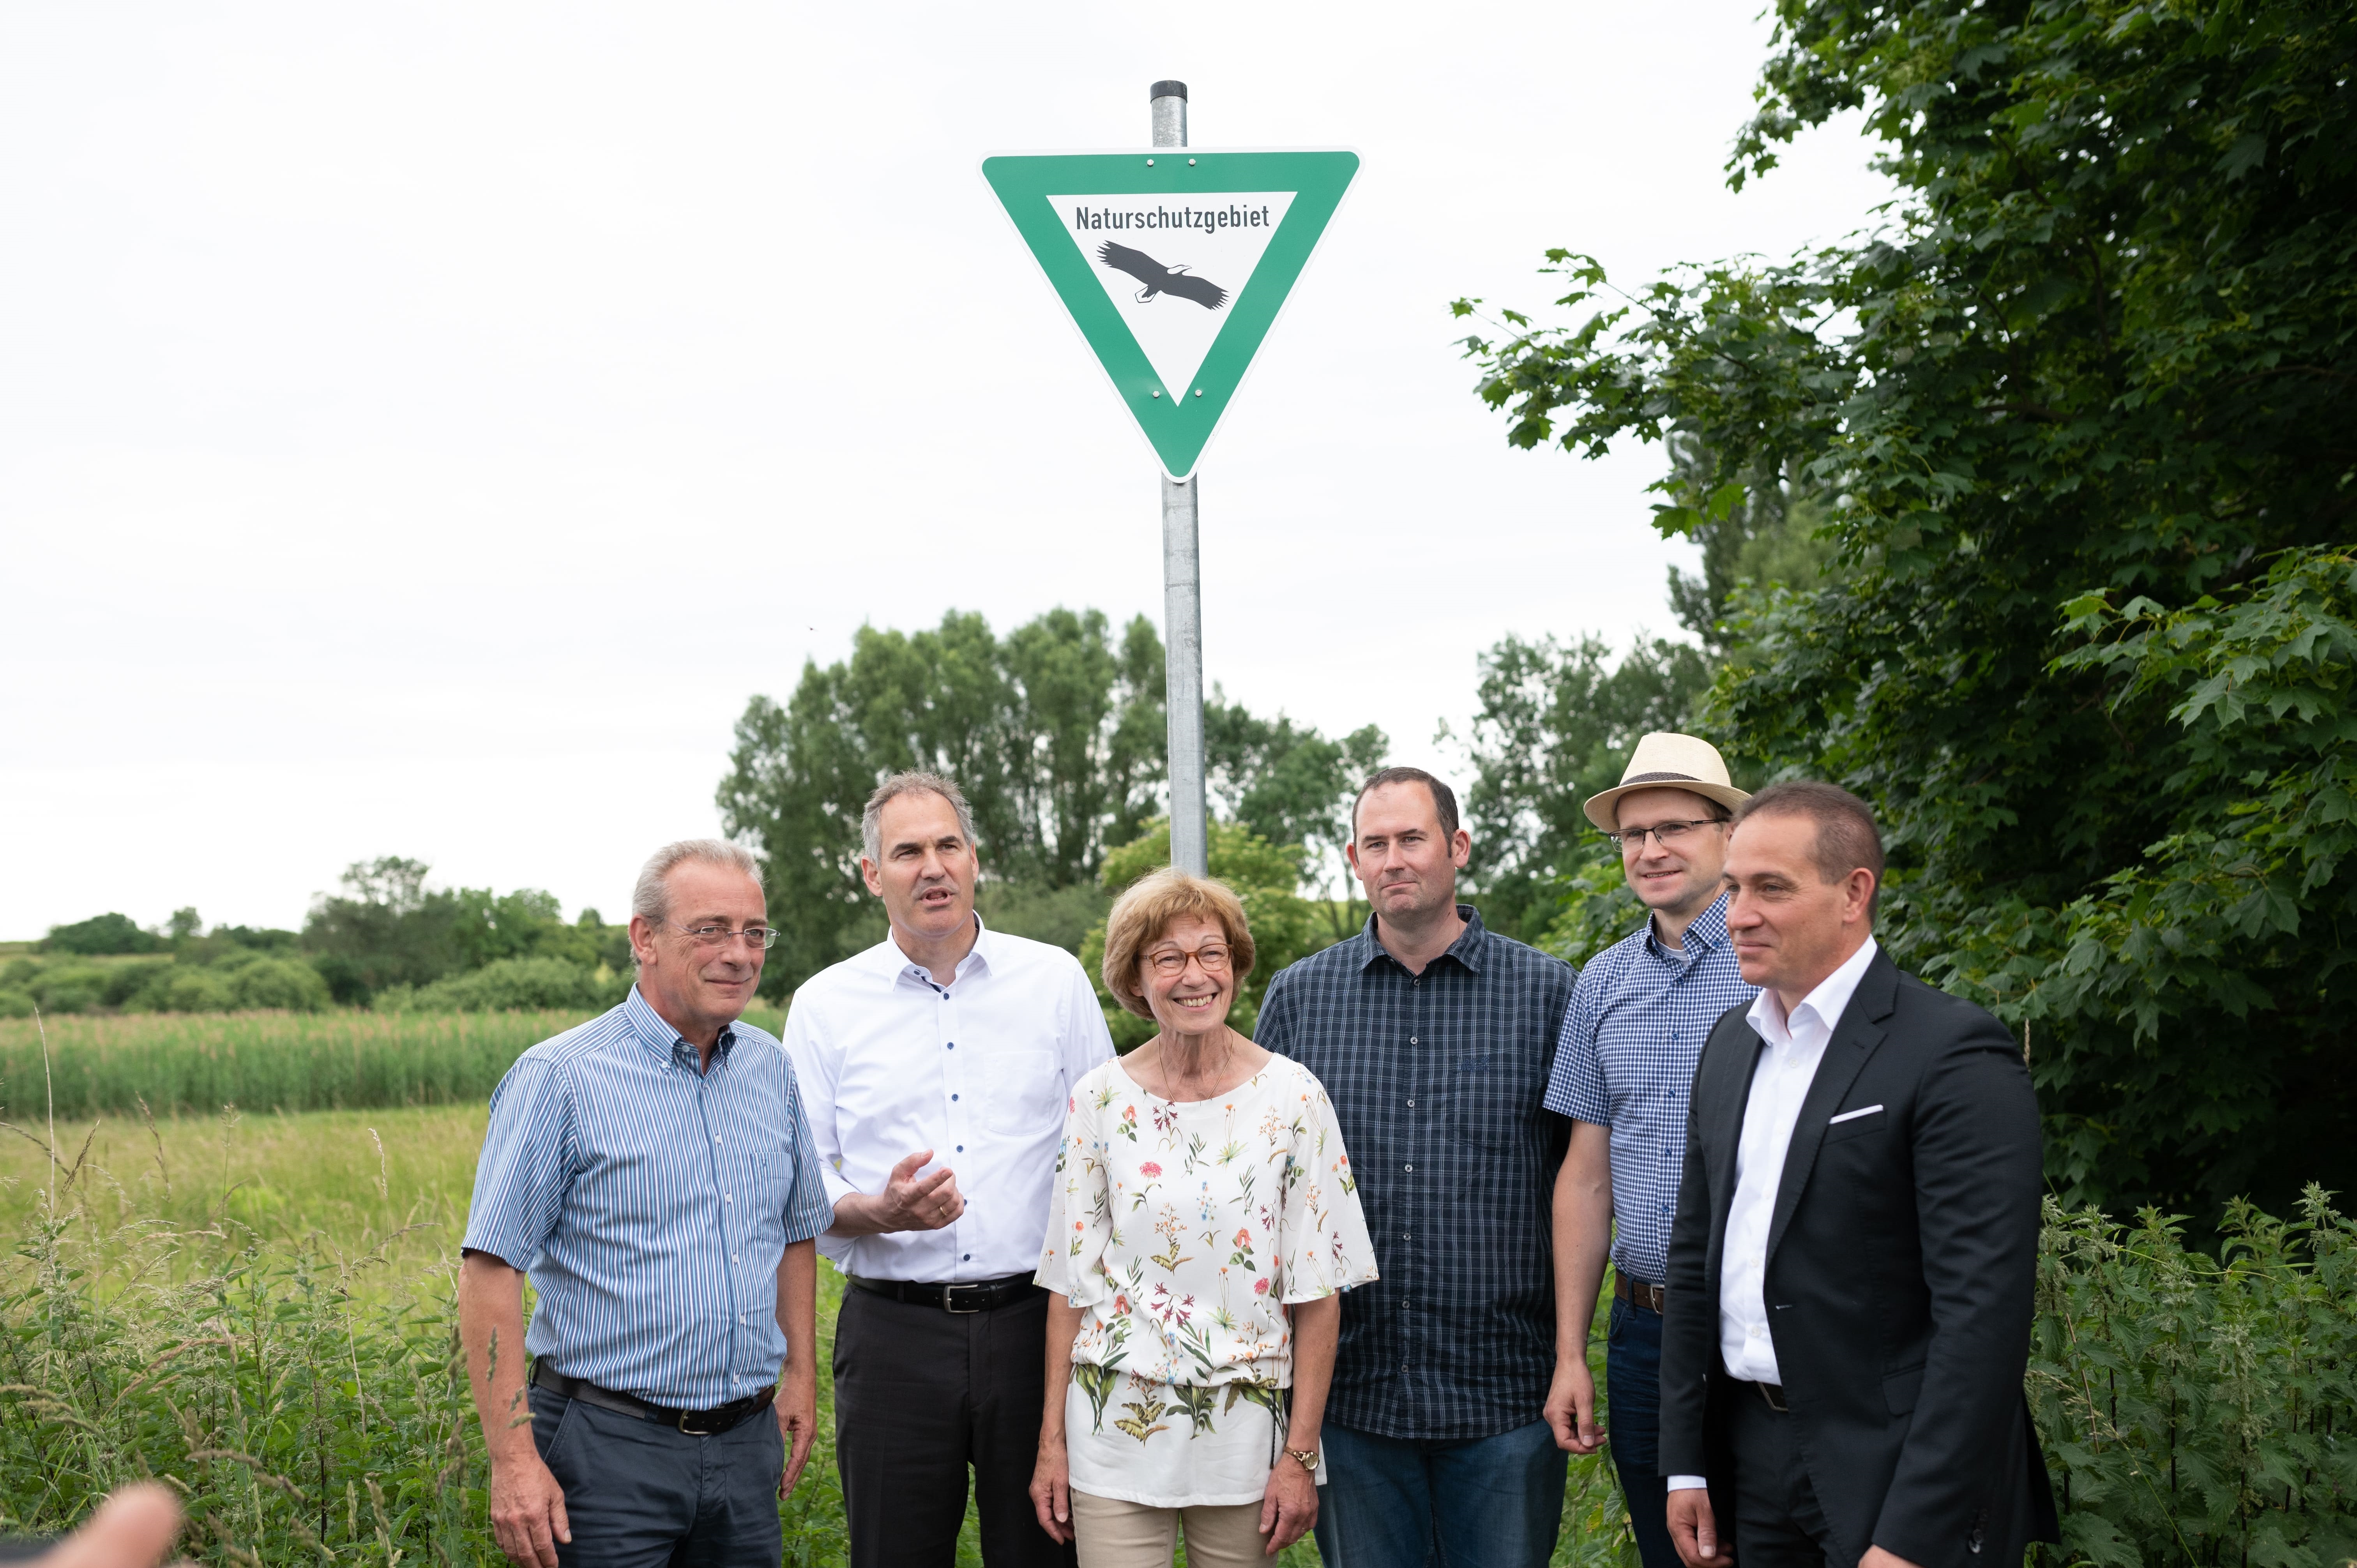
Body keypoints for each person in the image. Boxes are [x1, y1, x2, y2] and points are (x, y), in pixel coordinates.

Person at [1659, 782, 2059, 1568]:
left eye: (1772, 888)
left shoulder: (1951, 1051)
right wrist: (1687, 1462)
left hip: (1897, 1466)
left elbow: (1982, 1316)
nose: (1738, 914)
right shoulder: (1730, 1046)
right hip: (1754, 1459)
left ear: (1854, 893)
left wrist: (1914, 1532)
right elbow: (1695, 1257)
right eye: (1733, 888)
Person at [458, 839, 833, 1568]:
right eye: (711, 930)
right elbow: (490, 1270)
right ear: (645, 938)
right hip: (607, 1451)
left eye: (755, 933)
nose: (739, 954)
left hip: (746, 1448)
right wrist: (513, 1458)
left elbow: (795, 1232)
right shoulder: (560, 1077)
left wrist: (800, 1376)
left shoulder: (770, 1068)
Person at [783, 772, 1115, 1568]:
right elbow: (797, 1175)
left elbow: (1105, 1146)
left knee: (1046, 1552)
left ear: (975, 859)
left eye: (948, 846)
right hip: (893, 1336)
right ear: (873, 874)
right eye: (908, 852)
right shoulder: (825, 1004)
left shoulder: (1055, 981)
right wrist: (878, 1210)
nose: (932, 868)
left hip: (1036, 1327)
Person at [1254, 766, 1579, 1568]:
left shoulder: (1548, 994)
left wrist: (1573, 1355)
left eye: (1412, 839)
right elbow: (1264, 1186)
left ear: (1457, 847)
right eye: (1376, 844)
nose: (1394, 859)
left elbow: (1583, 1182)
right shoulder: (1299, 998)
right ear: (1353, 860)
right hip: (1352, 1396)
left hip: (1505, 1391)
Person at [1028, 869, 1377, 1568]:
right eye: (1169, 958)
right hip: (1113, 1428)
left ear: (1236, 966)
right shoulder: (1099, 1100)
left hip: (1245, 1437)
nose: (1195, 976)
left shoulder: (1295, 1097)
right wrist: (1051, 1444)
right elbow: (1071, 1285)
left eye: (1211, 953)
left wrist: (1300, 1456)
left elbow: (1319, 1293)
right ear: (1136, 978)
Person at [1544, 733, 1756, 1568]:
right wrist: (1572, 1352)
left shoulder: (1772, 964)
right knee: (1675, 1553)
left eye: (1674, 827)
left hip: (1763, 1320)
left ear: (1729, 834)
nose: (1651, 849)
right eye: (1633, 834)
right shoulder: (1600, 982)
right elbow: (1586, 1177)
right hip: (1645, 1331)